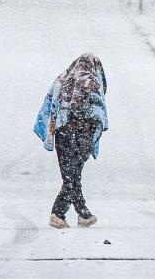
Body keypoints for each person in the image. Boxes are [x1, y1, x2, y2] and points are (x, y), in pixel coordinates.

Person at [33, 53, 108, 229]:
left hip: (62, 133)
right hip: (83, 134)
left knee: (70, 176)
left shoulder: (62, 79)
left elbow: (50, 104)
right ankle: (66, 213)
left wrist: (55, 127)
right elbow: (97, 111)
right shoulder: (92, 82)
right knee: (73, 176)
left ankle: (76, 214)